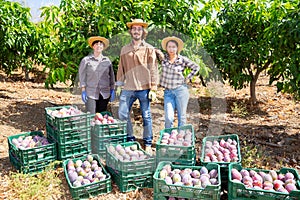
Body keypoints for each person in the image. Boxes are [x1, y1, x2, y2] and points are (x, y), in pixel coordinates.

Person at [115, 19, 159, 154]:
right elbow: (121, 68)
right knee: (122, 113)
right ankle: (129, 139)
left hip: (144, 87)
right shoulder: (125, 49)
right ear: (130, 31)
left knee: (146, 116)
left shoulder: (149, 49)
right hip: (128, 87)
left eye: (139, 29)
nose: (136, 31)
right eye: (134, 29)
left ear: (143, 32)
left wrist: (153, 88)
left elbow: (153, 68)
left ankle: (147, 143)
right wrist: (119, 84)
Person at [159, 36, 200, 128]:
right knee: (169, 118)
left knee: (181, 117)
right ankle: (168, 138)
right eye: (169, 47)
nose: (171, 49)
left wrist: (188, 78)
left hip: (180, 91)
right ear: (166, 48)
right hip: (168, 92)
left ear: (177, 48)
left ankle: (180, 139)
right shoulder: (163, 58)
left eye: (173, 47)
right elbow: (153, 52)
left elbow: (196, 67)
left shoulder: (182, 59)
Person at [79, 36, 115, 114]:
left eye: (100, 44)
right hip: (91, 93)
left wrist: (112, 89)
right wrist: (83, 90)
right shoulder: (86, 60)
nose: (98, 46)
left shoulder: (107, 61)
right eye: (96, 44)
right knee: (91, 114)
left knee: (101, 116)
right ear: (93, 46)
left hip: (104, 93)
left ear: (103, 47)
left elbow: (111, 76)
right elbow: (82, 76)